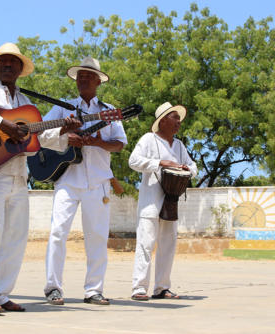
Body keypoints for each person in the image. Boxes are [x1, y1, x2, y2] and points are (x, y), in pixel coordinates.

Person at [0, 42, 80, 315]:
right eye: (4, 61)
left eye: (14, 62)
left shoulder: (27, 105)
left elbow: (41, 138)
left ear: (21, 69)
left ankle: (1, 294)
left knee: (15, 238)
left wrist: (64, 131)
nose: (8, 66)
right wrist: (3, 124)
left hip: (18, 176)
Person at [42, 57, 127, 306]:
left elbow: (120, 144)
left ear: (98, 81)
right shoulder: (63, 107)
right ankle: (53, 288)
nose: (83, 79)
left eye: (89, 76)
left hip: (98, 181)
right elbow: (42, 136)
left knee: (97, 237)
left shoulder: (109, 111)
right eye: (80, 76)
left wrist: (96, 142)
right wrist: (65, 135)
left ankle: (94, 290)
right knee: (57, 233)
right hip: (68, 179)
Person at [128, 102, 198, 301]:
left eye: (179, 119)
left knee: (168, 244)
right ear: (163, 120)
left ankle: (162, 288)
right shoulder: (149, 139)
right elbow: (133, 161)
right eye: (175, 118)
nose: (178, 122)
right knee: (145, 244)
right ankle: (139, 288)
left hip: (171, 201)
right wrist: (159, 163)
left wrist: (187, 170)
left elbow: (194, 166)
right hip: (150, 201)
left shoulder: (179, 145)